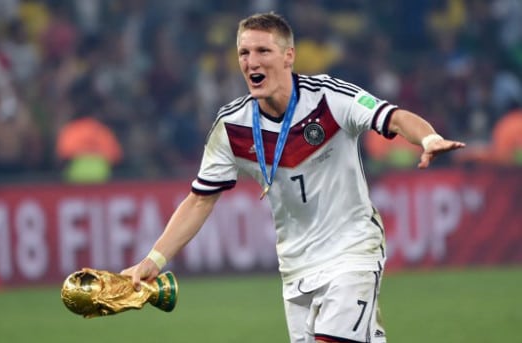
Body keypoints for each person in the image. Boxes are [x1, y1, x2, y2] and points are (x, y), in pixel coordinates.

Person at [121, 12, 465, 343]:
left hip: (352, 249)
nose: (251, 61)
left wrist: (429, 138)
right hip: (296, 267)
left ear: (289, 56)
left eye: (262, 51)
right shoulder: (232, 127)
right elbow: (199, 199)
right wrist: (154, 260)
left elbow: (395, 117)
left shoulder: (330, 97)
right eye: (244, 52)